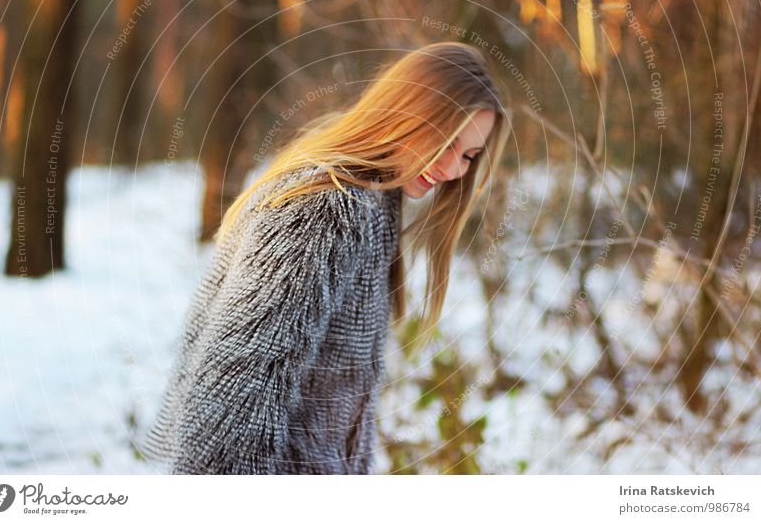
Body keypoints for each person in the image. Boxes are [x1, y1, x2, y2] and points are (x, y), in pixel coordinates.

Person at [139, 41, 511, 474]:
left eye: (468, 155)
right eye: (445, 141)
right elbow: (234, 394)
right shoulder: (324, 210)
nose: (451, 169)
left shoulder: (377, 196)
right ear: (406, 111)